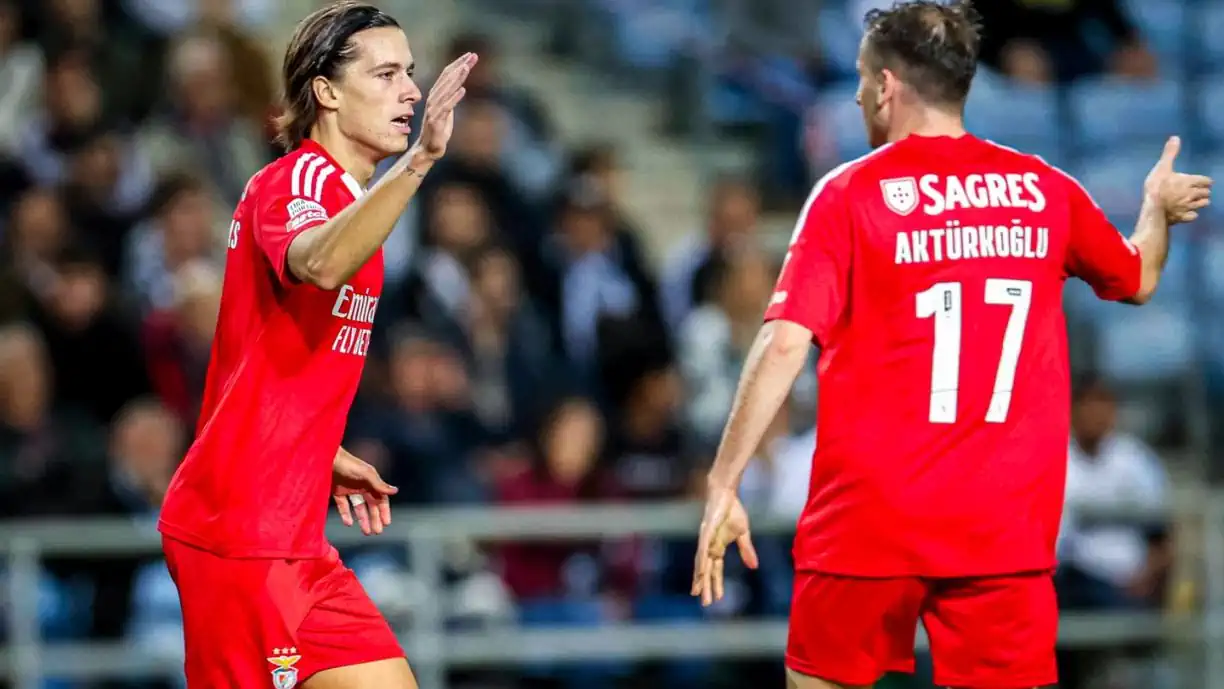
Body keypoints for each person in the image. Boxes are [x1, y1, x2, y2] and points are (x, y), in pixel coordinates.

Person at [689, 2, 1211, 689]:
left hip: (866, 526)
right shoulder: (1045, 191)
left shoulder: (848, 196)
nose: (854, 93)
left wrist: (724, 480)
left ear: (885, 86)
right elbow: (1138, 276)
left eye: (859, 76)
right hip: (1002, 534)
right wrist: (1155, 211)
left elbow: (785, 343)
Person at [156, 2, 475, 687]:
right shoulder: (295, 181)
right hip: (238, 535)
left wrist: (318, 450)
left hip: (298, 537)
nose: (411, 92)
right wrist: (419, 163)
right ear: (326, 92)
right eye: (386, 74)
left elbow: (264, 357)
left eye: (411, 74)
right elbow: (317, 263)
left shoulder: (352, 205)